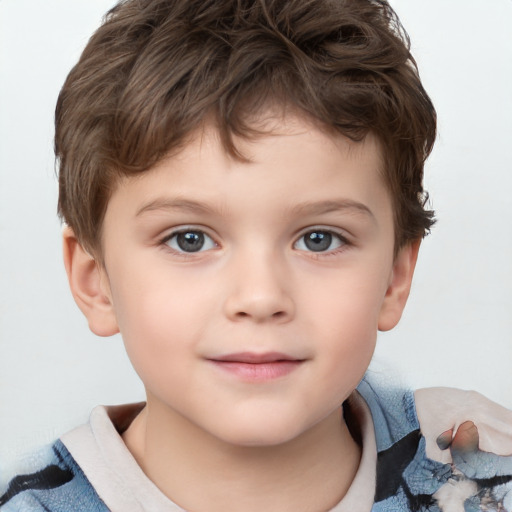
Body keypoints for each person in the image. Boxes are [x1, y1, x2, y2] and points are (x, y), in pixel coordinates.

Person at [1, 0, 511, 510]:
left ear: (395, 277)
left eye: (319, 239)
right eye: (190, 239)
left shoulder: (486, 479)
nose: (261, 297)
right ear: (95, 281)